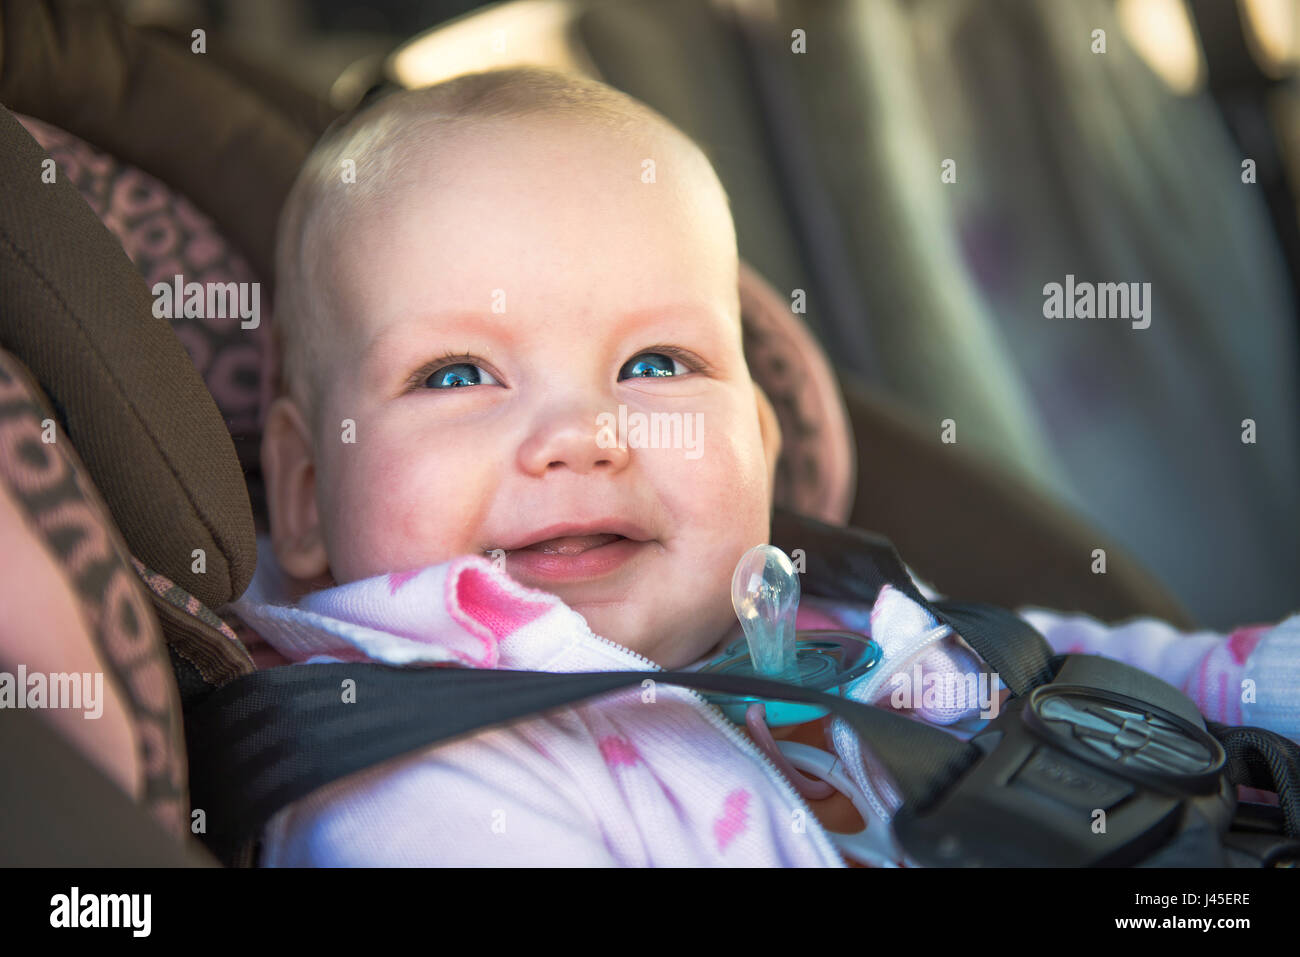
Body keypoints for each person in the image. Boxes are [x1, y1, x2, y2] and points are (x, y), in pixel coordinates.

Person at [241, 66, 1298, 866]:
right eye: (458, 374)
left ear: (760, 433)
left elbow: (1075, 682)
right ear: (302, 491)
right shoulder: (411, 793)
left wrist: (1253, 685)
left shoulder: (828, 619)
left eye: (656, 363)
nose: (586, 435)